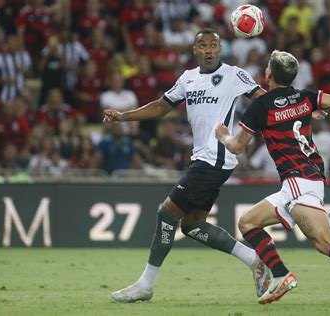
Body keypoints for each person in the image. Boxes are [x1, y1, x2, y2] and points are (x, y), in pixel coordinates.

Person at [215, 50, 330, 312]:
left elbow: (236, 147)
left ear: (269, 74)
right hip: (299, 180)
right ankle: (280, 274)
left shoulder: (261, 106)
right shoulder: (305, 98)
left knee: (324, 242)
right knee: (248, 222)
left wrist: (222, 135)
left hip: (301, 180)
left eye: (267, 66)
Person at [103, 29, 275, 303]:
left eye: (213, 45)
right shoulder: (188, 78)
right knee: (193, 225)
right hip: (204, 159)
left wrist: (303, 108)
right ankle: (256, 260)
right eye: (203, 45)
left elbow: (265, 99)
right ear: (194, 50)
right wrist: (123, 116)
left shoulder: (234, 75)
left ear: (220, 49)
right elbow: (162, 106)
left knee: (166, 213)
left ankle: (145, 285)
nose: (208, 49)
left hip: (215, 158)